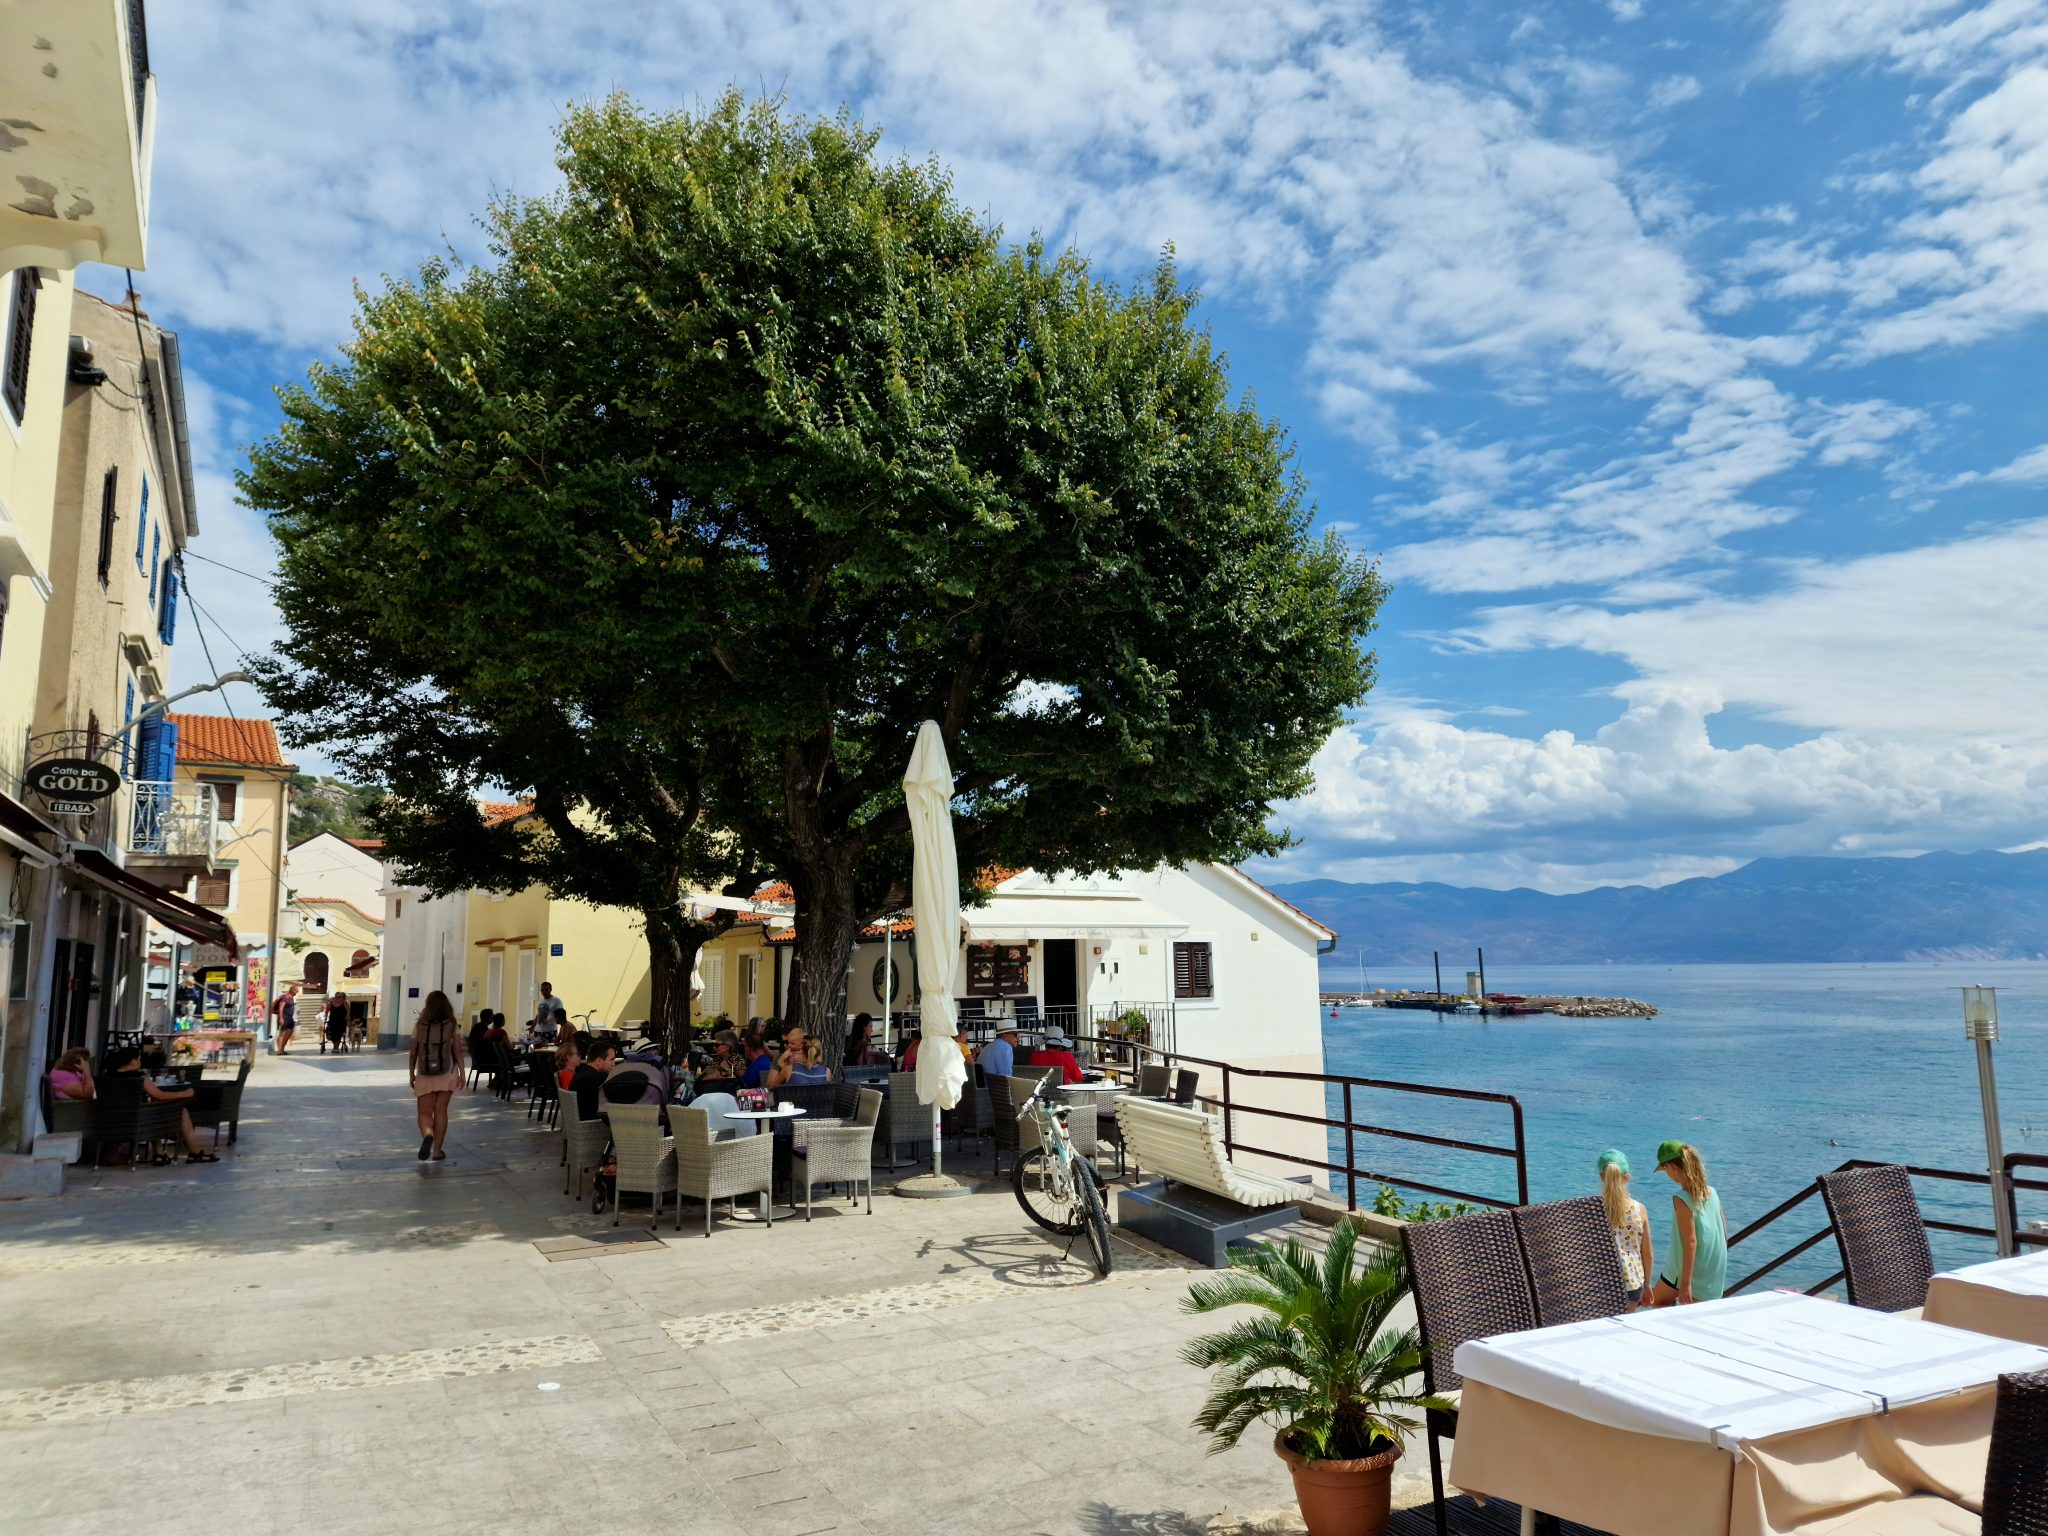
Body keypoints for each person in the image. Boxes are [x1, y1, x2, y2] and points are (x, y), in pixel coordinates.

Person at [107, 1046, 219, 1163]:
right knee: (181, 1112)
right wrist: (185, 1093)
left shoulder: (107, 1076)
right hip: (138, 1121)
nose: (139, 1062)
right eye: (138, 1059)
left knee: (151, 1110)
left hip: (112, 1120)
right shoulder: (139, 1077)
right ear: (132, 1061)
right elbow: (160, 1095)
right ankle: (195, 1152)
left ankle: (159, 1153)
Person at [1649, 1140, 1727, 1306]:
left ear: (1671, 1167)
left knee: (1655, 1303)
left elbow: (1690, 1242)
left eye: (1665, 1170)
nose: (1667, 1175)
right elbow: (1723, 1230)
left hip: (1682, 1273)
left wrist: (1685, 1284)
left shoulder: (1681, 1199)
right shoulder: (1713, 1193)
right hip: (1712, 1271)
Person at [408, 990, 465, 1161]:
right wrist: (462, 1073)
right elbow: (458, 1050)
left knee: (424, 1112)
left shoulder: (420, 1025)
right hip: (447, 1073)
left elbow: (413, 1052)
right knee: (441, 1111)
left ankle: (428, 1134)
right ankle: (437, 1151)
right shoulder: (452, 1024)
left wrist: (412, 1073)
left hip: (425, 1074)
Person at [1596, 1148, 1654, 1310]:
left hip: (1602, 1281)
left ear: (1602, 1177)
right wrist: (1648, 1284)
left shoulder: (1593, 1209)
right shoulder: (1639, 1209)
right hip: (1632, 1280)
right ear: (1627, 1177)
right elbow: (1647, 1253)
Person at [570, 1041, 618, 1121]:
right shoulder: (595, 1079)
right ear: (599, 1060)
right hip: (594, 1123)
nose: (613, 1064)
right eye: (611, 1060)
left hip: (580, 1120)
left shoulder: (580, 1073)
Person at [275, 984, 300, 1054]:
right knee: (282, 1034)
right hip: (284, 1017)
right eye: (296, 991)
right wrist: (281, 1018)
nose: (297, 992)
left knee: (289, 1032)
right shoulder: (285, 997)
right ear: (292, 990)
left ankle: (282, 1049)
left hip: (290, 1018)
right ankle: (279, 1050)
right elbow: (281, 1008)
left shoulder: (291, 998)